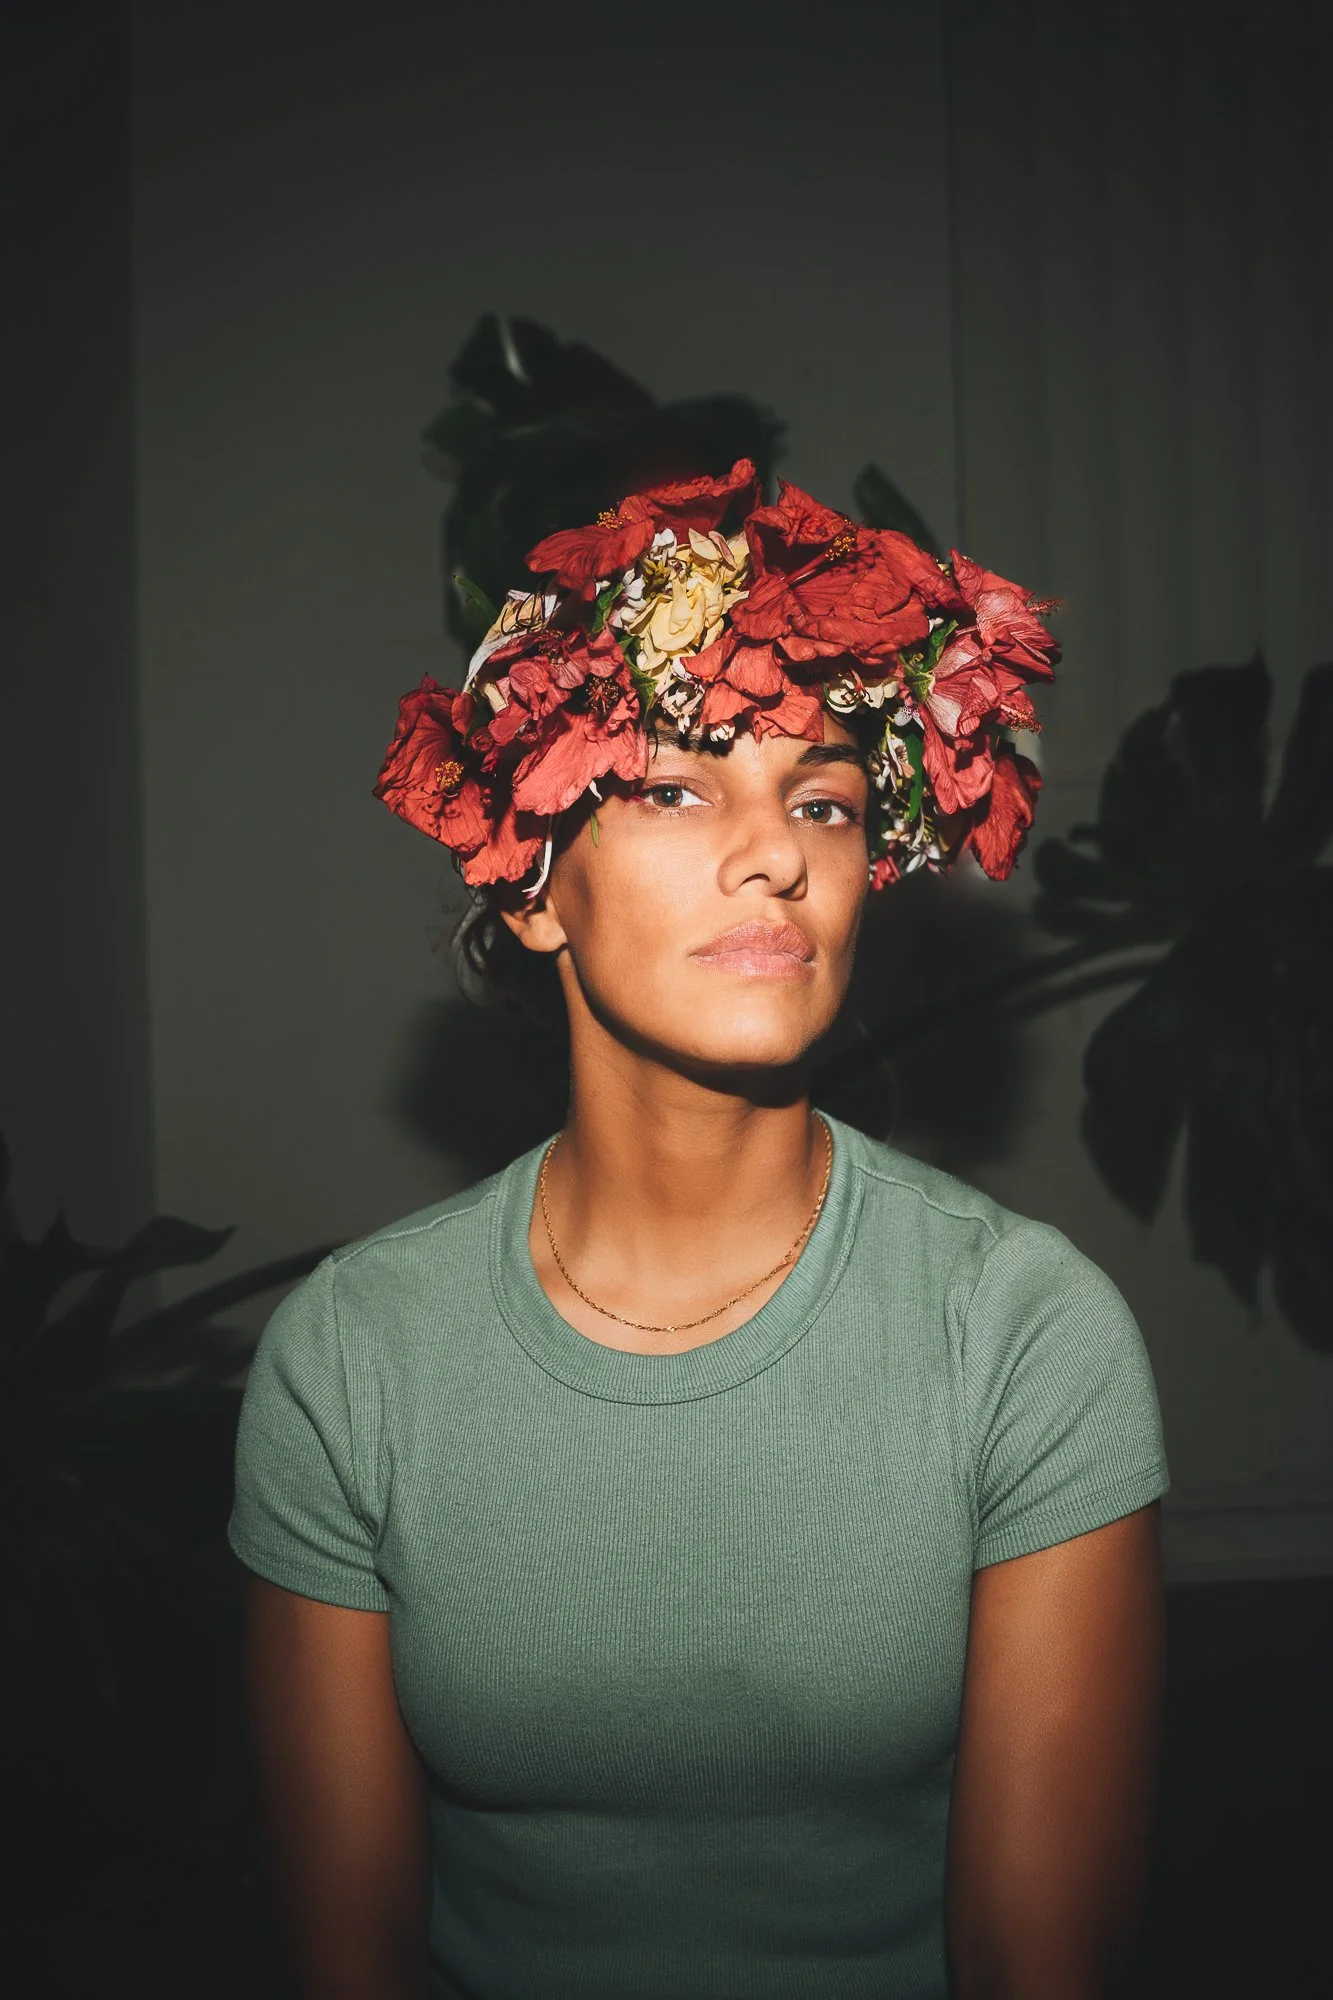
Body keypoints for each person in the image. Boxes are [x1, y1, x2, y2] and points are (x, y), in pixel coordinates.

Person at [229, 461, 1168, 2000]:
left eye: (824, 801)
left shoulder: (1023, 1335)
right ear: (533, 887)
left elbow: (1035, 1968)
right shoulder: (354, 1353)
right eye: (674, 787)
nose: (776, 856)